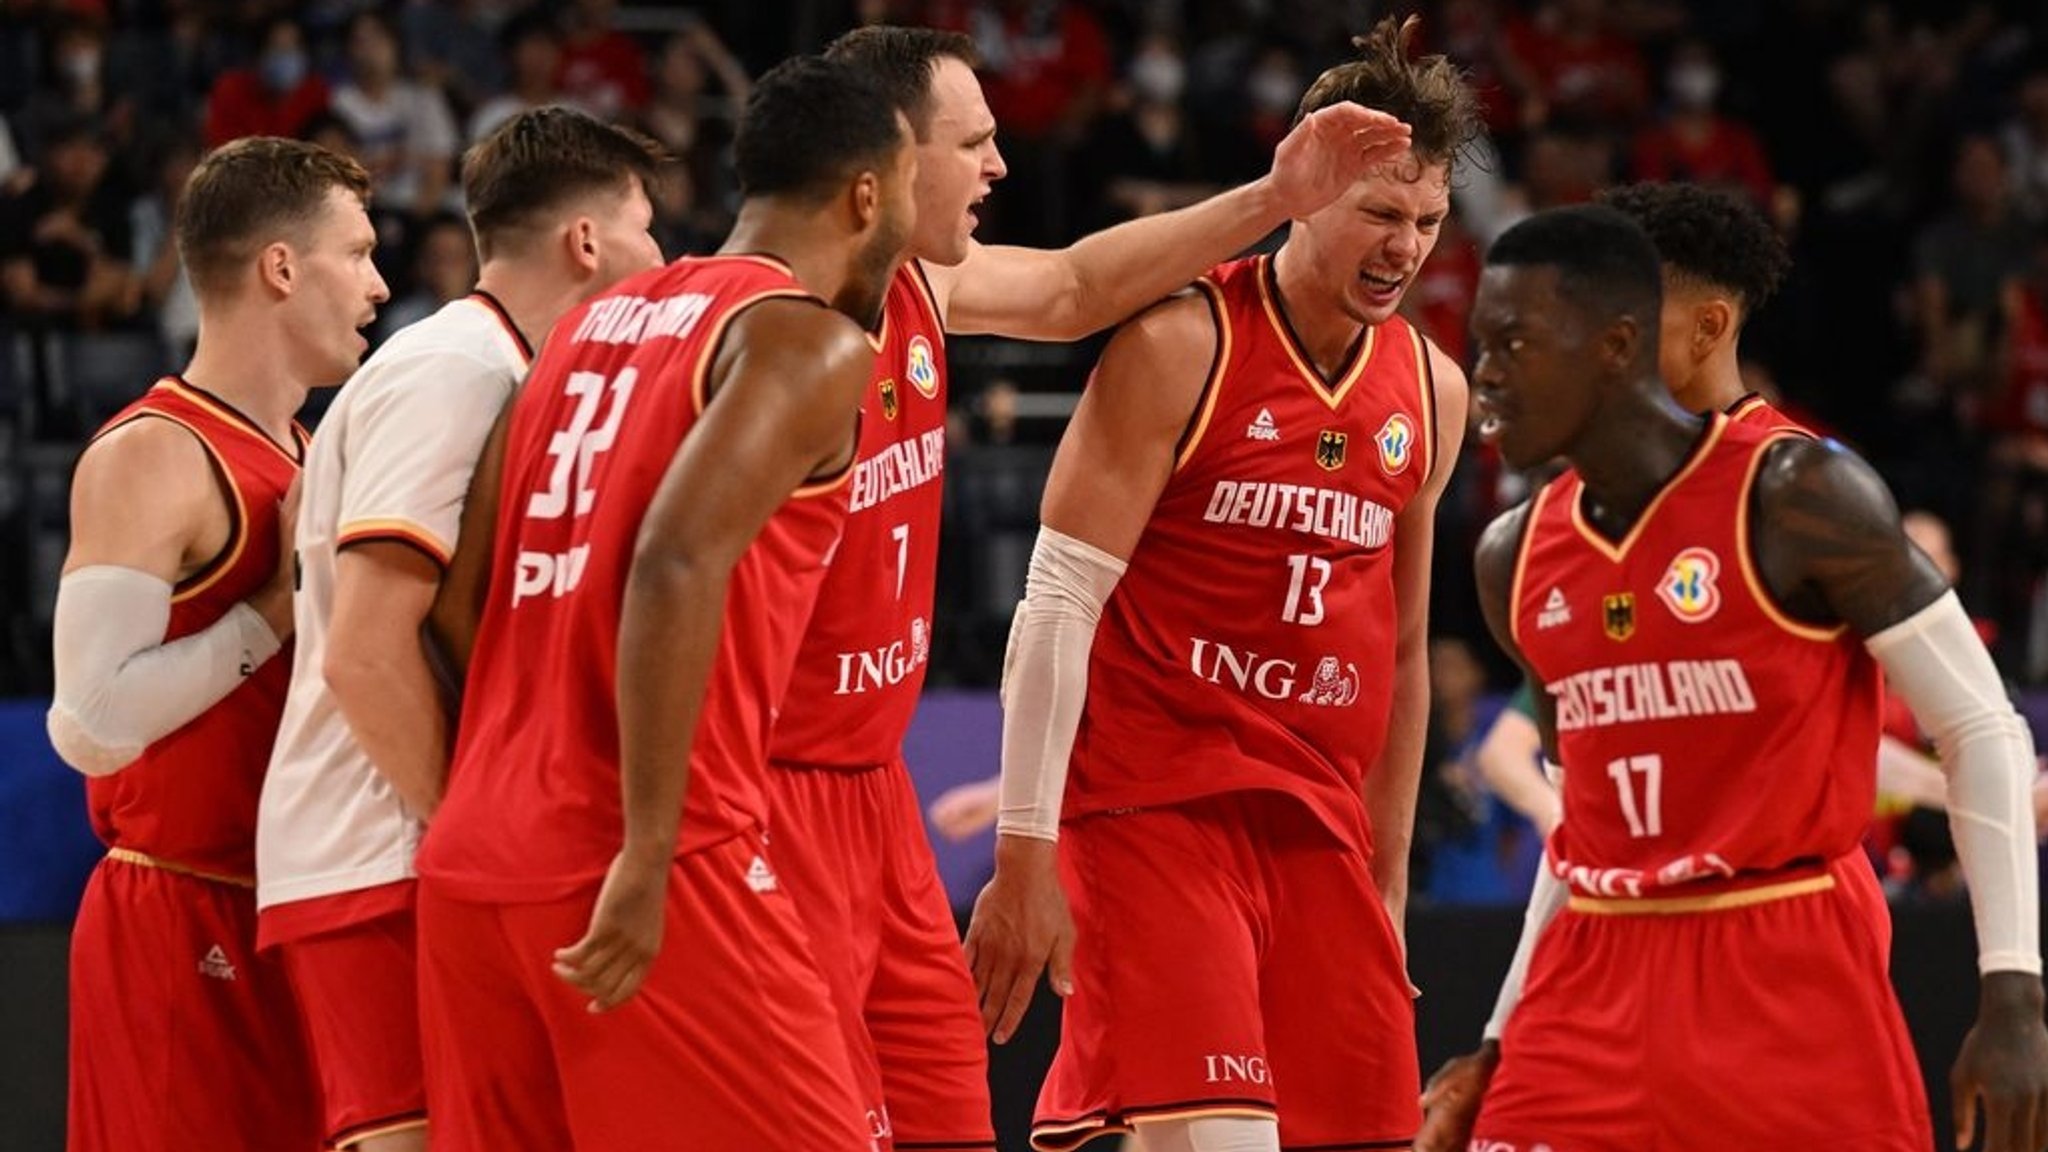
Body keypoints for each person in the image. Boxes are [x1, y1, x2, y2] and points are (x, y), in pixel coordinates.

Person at [767, 24, 1412, 1150]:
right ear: (881, 159)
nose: (999, 166)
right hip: (771, 777)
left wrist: (1271, 195)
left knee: (943, 1122)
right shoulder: (758, 324)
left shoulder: (920, 284)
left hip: (869, 780)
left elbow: (1072, 287)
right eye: (973, 142)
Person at [1416, 204, 2048, 1152]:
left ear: (1617, 343)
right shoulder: (1515, 551)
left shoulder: (1800, 492)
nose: (1487, 375)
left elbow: (1983, 725)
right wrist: (1499, 1040)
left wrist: (2013, 990)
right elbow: (1584, 827)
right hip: (1589, 974)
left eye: (1520, 341)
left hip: (1782, 953)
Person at [967, 17, 1476, 1151]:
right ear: (1307, 192)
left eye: (1427, 222)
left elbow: (1397, 653)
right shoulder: (1179, 343)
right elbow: (1055, 605)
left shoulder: (1431, 392)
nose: (1403, 249)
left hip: (1317, 826)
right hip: (1157, 802)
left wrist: (1384, 890)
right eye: (1378, 215)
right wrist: (1025, 849)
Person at [409, 56, 916, 1151]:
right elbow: (674, 563)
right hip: (655, 863)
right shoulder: (806, 338)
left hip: (473, 864)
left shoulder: (583, 328)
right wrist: (644, 852)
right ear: (867, 195)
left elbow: (457, 603)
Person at [252, 107, 665, 1152]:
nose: (661, 258)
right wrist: (473, 838)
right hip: (380, 854)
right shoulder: (456, 373)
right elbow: (366, 652)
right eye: (647, 227)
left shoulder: (510, 370)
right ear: (586, 241)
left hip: (415, 846)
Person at [45, 136, 388, 1152]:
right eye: (358, 252)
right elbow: (90, 723)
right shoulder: (156, 452)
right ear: (281, 267)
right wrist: (272, 611)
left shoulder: (314, 450)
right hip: (181, 908)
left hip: (295, 900)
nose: (378, 284)